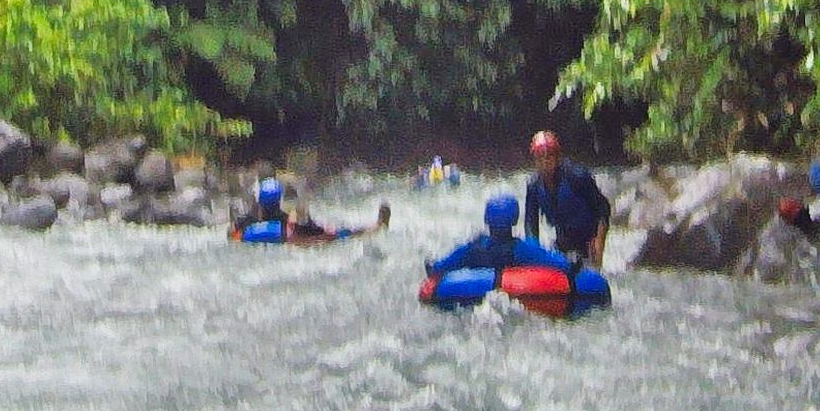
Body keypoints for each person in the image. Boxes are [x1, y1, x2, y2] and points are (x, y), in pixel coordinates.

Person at [523, 130, 610, 269]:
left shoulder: (577, 176)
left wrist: (599, 242)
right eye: (540, 158)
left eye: (549, 157)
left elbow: (603, 209)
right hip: (563, 241)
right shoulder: (533, 186)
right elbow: (530, 224)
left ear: (557, 158)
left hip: (588, 241)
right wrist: (532, 254)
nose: (545, 162)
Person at [427, 194, 571, 277]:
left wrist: (435, 268)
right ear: (514, 220)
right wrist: (570, 265)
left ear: (487, 219)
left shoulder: (473, 247)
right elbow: (553, 262)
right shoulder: (521, 249)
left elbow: (446, 264)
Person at [230, 176, 391, 245]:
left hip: (273, 239)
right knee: (341, 232)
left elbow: (233, 233)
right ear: (278, 199)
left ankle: (376, 227)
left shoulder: (247, 223)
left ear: (259, 201)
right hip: (294, 238)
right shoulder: (286, 218)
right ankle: (377, 227)